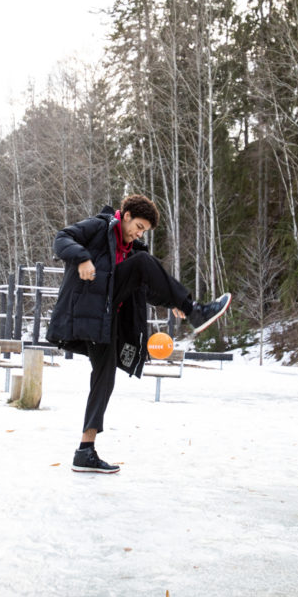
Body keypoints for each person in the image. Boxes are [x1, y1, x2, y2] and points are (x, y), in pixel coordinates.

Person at [46, 194, 231, 474]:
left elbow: (141, 288)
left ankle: (85, 451)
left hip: (108, 321)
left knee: (103, 379)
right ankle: (195, 310)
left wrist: (171, 302)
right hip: (89, 308)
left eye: (144, 230)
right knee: (145, 262)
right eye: (139, 226)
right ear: (127, 215)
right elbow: (62, 238)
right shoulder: (100, 226)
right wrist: (83, 258)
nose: (139, 233)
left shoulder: (130, 250)